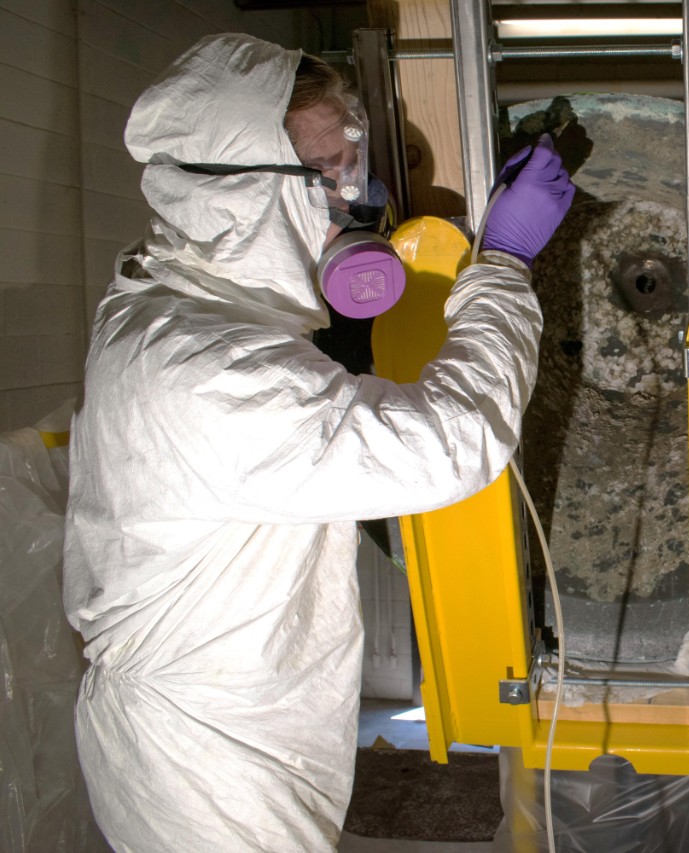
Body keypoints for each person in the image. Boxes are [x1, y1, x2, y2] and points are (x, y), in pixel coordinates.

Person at [61, 33, 573, 851]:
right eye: (329, 173)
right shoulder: (207, 371)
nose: (357, 193)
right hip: (206, 764)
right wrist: (504, 264)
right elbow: (454, 438)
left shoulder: (174, 298)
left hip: (217, 723)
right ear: (244, 195)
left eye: (354, 160)